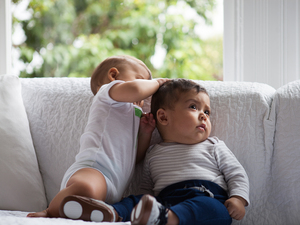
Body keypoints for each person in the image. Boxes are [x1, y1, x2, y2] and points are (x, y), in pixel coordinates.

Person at [66, 78, 250, 225]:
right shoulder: (154, 153)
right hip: (165, 201)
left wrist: (238, 199)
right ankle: (110, 213)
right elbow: (146, 188)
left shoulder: (214, 145)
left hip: (206, 196)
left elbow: (236, 173)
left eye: (207, 112)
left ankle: (167, 219)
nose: (203, 115)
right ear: (163, 116)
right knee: (135, 200)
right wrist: (144, 203)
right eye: (193, 107)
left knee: (213, 210)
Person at [27, 55, 168, 222]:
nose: (145, 91)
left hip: (113, 187)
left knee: (94, 196)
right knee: (87, 188)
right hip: (93, 170)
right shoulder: (108, 93)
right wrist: (158, 83)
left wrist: (145, 133)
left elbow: (135, 157)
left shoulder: (133, 112)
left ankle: (92, 210)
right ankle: (52, 209)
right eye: (140, 79)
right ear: (113, 75)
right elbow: (136, 90)